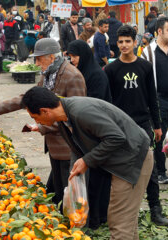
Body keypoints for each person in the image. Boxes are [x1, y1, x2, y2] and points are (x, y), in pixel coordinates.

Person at [20, 86, 153, 240]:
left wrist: (87, 160)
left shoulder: (81, 112)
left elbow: (116, 137)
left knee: (119, 222)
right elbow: (78, 147)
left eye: (34, 117)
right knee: (126, 223)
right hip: (123, 159)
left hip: (133, 159)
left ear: (45, 111)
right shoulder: (64, 116)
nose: (37, 122)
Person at [0, 38, 86, 207]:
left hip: (68, 145)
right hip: (55, 146)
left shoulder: (72, 76)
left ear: (52, 57)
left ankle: (76, 227)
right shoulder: (49, 75)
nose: (37, 63)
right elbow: (30, 97)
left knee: (71, 193)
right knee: (59, 191)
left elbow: (75, 116)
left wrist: (42, 126)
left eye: (39, 59)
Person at [105, 25, 168, 226]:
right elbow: (108, 101)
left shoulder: (144, 67)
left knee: (149, 168)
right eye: (121, 42)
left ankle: (155, 210)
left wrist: (157, 126)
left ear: (135, 43)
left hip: (142, 124)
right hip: (119, 126)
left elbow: (152, 97)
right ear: (117, 44)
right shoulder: (110, 69)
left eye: (128, 41)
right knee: (118, 168)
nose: (124, 45)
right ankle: (119, 212)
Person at [67, 39, 112, 229]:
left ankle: (99, 217)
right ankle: (91, 216)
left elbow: (96, 105)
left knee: (99, 177)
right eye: (70, 56)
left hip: (99, 132)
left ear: (83, 55)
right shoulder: (80, 74)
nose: (72, 60)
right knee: (91, 177)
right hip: (87, 132)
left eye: (75, 56)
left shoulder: (96, 76)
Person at [141, 17, 168, 184]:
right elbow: (144, 79)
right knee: (160, 134)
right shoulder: (148, 52)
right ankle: (161, 171)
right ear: (159, 31)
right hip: (157, 99)